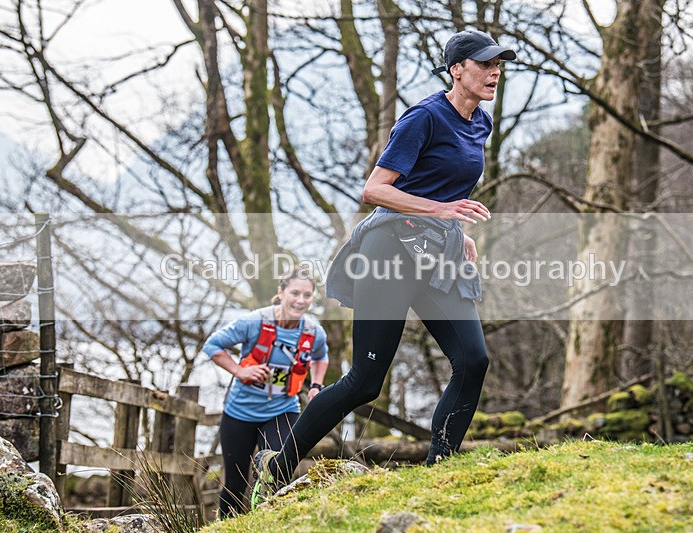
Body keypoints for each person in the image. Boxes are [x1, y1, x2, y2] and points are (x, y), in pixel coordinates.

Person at [253, 29, 516, 499]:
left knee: (473, 360)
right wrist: (441, 212)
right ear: (457, 69)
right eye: (484, 63)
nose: (494, 71)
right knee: (365, 381)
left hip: (437, 255)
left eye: (498, 64)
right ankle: (278, 465)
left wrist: (460, 231)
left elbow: (449, 188)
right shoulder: (424, 118)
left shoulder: (481, 123)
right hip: (389, 251)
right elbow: (375, 189)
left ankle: (441, 471)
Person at [202, 267, 328, 517]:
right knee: (236, 482)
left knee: (279, 471)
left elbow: (320, 356)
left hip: (282, 409)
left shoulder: (313, 332)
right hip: (240, 413)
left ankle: (271, 521)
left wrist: (315, 385)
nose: (301, 301)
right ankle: (224, 526)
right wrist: (240, 371)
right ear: (280, 292)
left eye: (307, 295)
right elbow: (212, 345)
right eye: (295, 293)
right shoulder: (255, 321)